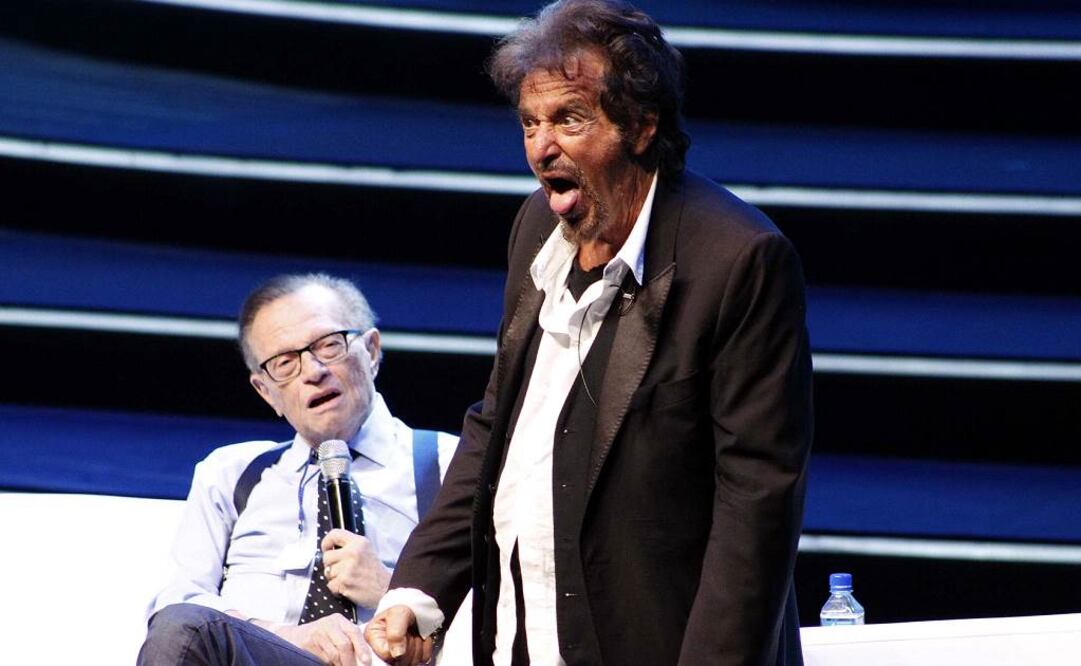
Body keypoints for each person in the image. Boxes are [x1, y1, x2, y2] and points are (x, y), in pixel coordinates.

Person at [366, 1, 814, 664]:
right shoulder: (535, 228)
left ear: (641, 125)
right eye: (529, 122)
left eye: (568, 119)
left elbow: (755, 505)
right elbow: (498, 424)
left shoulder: (736, 259)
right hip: (525, 640)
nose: (540, 147)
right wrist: (418, 591)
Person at [139, 273, 457, 666]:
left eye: (329, 345)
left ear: (372, 351)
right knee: (181, 626)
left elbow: (503, 615)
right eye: (285, 363)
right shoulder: (230, 474)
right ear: (265, 391)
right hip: (258, 656)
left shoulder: (449, 464)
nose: (313, 371)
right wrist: (289, 637)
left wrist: (393, 593)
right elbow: (177, 602)